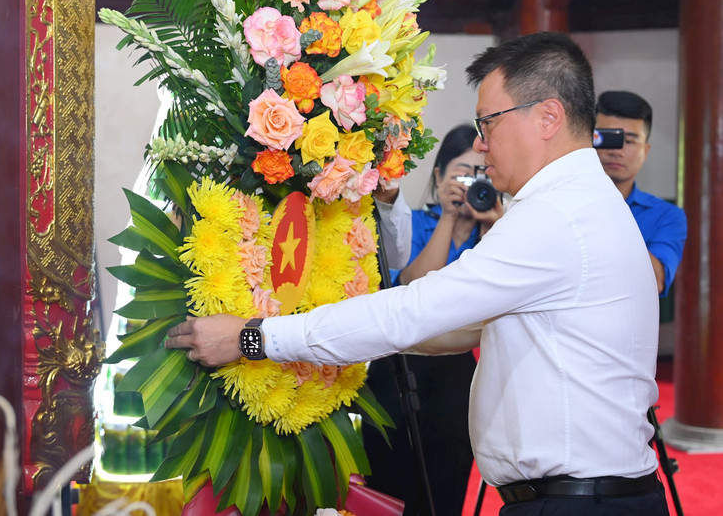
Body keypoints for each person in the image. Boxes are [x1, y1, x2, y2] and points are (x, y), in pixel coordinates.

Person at [165, 31, 670, 515]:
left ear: (548, 117)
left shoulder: (555, 217)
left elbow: (413, 312)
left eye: (488, 123)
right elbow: (454, 329)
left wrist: (253, 338)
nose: (482, 144)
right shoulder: (585, 203)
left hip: (578, 503)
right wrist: (331, 330)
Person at [362, 124, 503, 515]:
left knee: (445, 486)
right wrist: (447, 218)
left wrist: (495, 221)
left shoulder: (494, 235)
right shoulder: (413, 225)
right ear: (439, 176)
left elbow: (501, 293)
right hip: (401, 366)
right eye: (461, 172)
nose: (471, 182)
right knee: (389, 490)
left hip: (458, 376)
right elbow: (414, 290)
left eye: (481, 173)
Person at [595, 90, 687, 296]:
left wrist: (609, 204)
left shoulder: (667, 217)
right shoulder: (561, 201)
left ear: (645, 151)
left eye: (628, 141)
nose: (616, 150)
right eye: (608, 138)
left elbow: (656, 281)